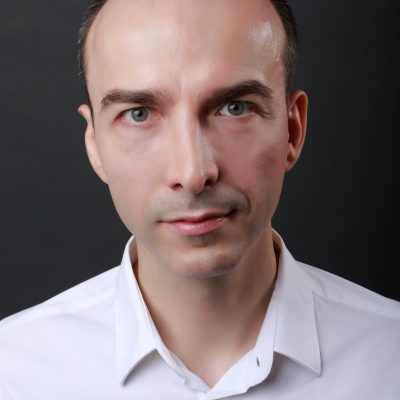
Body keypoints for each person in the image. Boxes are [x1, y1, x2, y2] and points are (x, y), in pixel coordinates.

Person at [0, 0, 399, 398]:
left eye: (235, 108)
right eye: (139, 114)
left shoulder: (389, 355)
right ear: (94, 145)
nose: (192, 174)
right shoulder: (13, 372)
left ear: (292, 130)